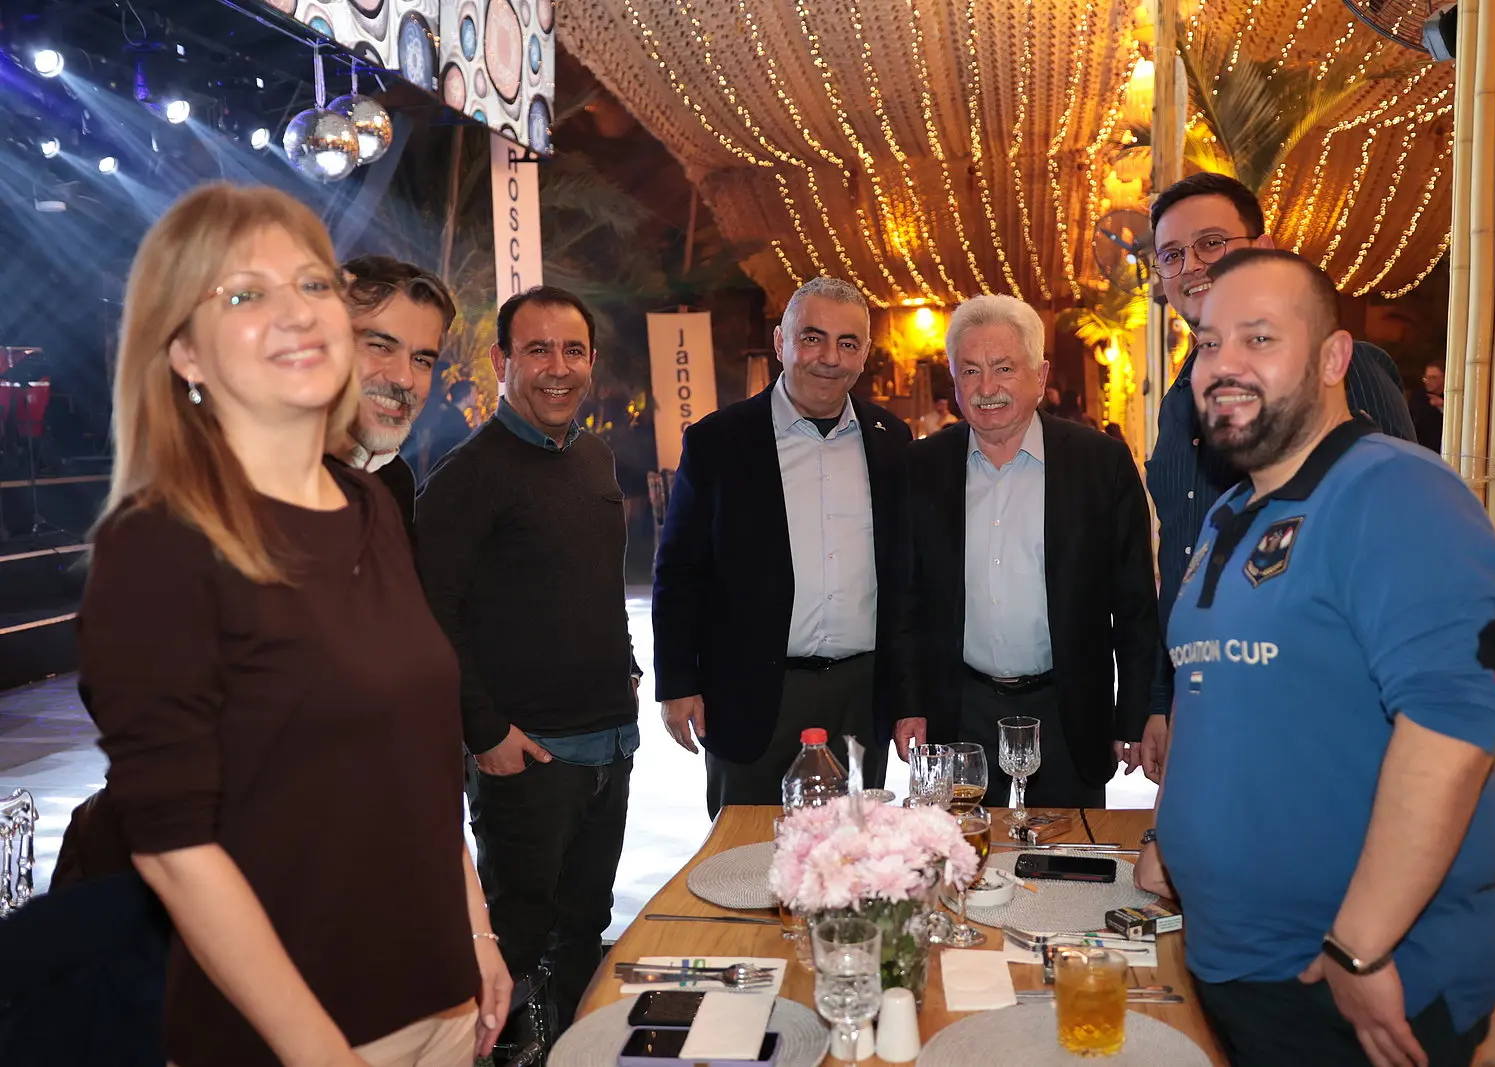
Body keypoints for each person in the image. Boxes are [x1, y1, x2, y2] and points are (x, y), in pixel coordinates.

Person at [76, 183, 509, 1067]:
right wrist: (321, 1052)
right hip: (294, 1038)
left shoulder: (371, 505)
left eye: (313, 284)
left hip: (443, 1007)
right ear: (184, 351)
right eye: (245, 293)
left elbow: (418, 760)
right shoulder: (159, 540)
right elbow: (173, 846)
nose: (298, 312)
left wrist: (478, 933)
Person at [1136, 249, 1495, 1066]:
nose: (1223, 364)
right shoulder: (1230, 512)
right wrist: (1172, 829)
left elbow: (1452, 726)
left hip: (1352, 978)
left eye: (1259, 338)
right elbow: (1212, 689)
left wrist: (1360, 944)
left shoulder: (1394, 491)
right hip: (1238, 962)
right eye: (1208, 343)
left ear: (1335, 358)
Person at [1143, 171, 1417, 783]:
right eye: (1172, 254)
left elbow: (1397, 543)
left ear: (1263, 248)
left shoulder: (1338, 369)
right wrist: (1166, 695)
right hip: (1207, 702)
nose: (1192, 265)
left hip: (1320, 714)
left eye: (1212, 242)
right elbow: (1182, 559)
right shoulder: (1181, 400)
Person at [416, 286, 639, 1032]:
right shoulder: (467, 476)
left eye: (573, 350)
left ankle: (569, 1046)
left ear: (592, 360)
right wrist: (484, 732)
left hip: (610, 745)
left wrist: (627, 667)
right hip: (528, 758)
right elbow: (432, 614)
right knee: (516, 942)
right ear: (501, 361)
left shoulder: (595, 456)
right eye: (537, 350)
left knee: (585, 926)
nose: (558, 367)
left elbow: (599, 583)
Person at [653, 276, 913, 816]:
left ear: (865, 353)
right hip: (751, 694)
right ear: (780, 342)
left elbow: (908, 579)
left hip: (860, 697)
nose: (830, 358)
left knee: (855, 854)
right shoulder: (718, 441)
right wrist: (677, 682)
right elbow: (679, 570)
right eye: (812, 338)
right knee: (746, 852)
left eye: (847, 343)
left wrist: (910, 694)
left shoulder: (892, 440)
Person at [896, 295, 1161, 808]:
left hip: (1066, 713)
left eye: (1003, 368)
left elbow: (1134, 604)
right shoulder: (921, 467)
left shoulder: (1100, 464)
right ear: (953, 381)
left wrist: (1132, 713)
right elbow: (904, 599)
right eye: (970, 370)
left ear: (1040, 377)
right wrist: (908, 703)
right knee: (961, 853)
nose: (986, 388)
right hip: (958, 712)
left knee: (1067, 853)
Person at [342, 255, 455, 543]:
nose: (404, 378)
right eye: (380, 347)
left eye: (421, 360)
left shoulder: (395, 480)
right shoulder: (256, 475)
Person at [1407, 359, 1445, 454]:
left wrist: (1442, 406)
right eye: (1426, 378)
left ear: (1444, 378)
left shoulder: (1453, 398)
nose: (1428, 382)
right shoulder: (1418, 397)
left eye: (1433, 378)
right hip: (1421, 449)